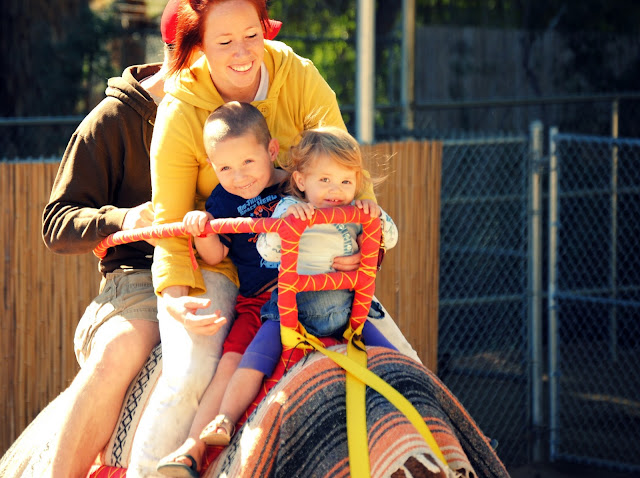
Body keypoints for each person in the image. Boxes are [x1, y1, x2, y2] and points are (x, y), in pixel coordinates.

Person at [127, 1, 419, 475]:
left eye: (252, 35)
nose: (242, 52)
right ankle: (165, 463)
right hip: (223, 264)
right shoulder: (180, 108)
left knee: (403, 354)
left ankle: (450, 443)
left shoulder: (299, 77)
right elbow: (173, 218)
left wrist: (362, 253)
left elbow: (345, 169)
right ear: (200, 47)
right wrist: (175, 296)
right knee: (191, 368)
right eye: (224, 41)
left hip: (314, 259)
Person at [35, 2, 180, 477]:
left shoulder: (233, 113)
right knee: (124, 348)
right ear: (182, 51)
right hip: (137, 282)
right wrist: (123, 218)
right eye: (223, 44)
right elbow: (56, 222)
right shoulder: (113, 118)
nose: (239, 57)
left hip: (224, 271)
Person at [197, 125, 399, 451]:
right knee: (254, 360)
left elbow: (390, 238)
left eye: (345, 182)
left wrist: (377, 217)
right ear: (302, 181)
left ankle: (426, 411)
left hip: (348, 310)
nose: (335, 190)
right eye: (325, 180)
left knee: (395, 358)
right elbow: (267, 251)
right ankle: (225, 417)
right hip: (292, 309)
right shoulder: (289, 208)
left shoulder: (357, 211)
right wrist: (287, 223)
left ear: (357, 183)